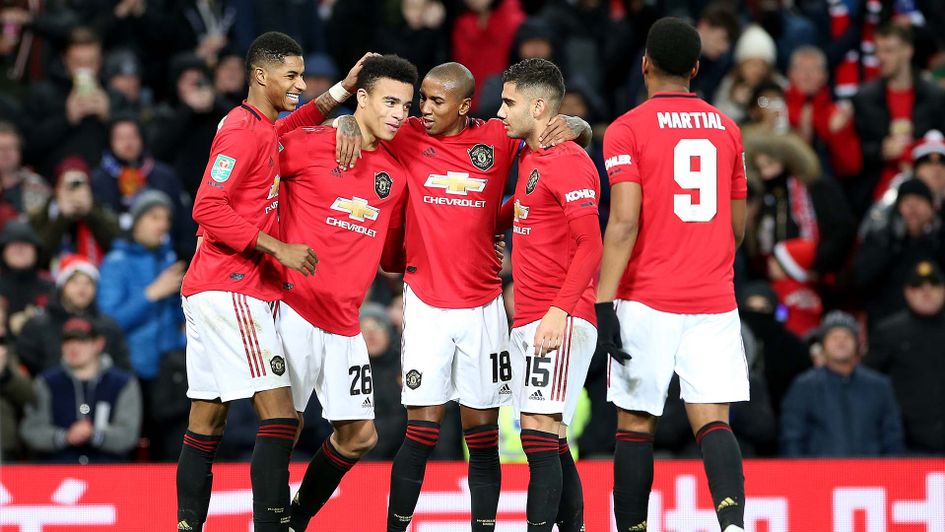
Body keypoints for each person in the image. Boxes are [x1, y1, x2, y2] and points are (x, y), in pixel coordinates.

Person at [334, 61, 591, 532]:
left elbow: (549, 139)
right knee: (420, 432)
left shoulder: (498, 136)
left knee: (484, 438)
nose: (424, 109)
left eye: (436, 100)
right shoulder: (407, 135)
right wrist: (346, 119)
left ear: (465, 105)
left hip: (485, 308)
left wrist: (578, 125)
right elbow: (364, 123)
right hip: (425, 303)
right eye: (422, 99)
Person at [175, 32, 364, 532]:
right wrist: (276, 247)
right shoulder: (242, 132)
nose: (300, 84)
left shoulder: (257, 125)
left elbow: (289, 126)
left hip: (209, 286)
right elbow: (207, 206)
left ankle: (187, 526)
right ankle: (273, 525)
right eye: (291, 75)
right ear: (261, 75)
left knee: (206, 421)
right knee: (281, 416)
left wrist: (341, 93)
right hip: (232, 286)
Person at [598, 18, 749, 532]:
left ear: (645, 65)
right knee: (713, 421)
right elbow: (737, 227)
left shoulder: (627, 129)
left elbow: (624, 222)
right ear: (696, 69)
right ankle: (732, 524)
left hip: (647, 297)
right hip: (713, 300)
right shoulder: (728, 129)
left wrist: (603, 300)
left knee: (636, 423)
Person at [275, 54, 415, 532]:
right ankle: (269, 522)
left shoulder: (395, 175)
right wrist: (334, 110)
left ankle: (295, 519)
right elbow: (255, 144)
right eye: (390, 102)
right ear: (363, 97)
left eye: (406, 106)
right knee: (283, 426)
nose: (399, 114)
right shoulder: (312, 142)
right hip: (293, 306)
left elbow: (392, 257)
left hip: (344, 322)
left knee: (359, 436)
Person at [496, 57, 602, 532]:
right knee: (548, 437)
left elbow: (591, 244)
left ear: (537, 107)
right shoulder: (530, 156)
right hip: (532, 317)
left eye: (509, 102)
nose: (500, 111)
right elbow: (522, 208)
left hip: (559, 317)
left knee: (539, 434)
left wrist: (559, 311)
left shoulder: (569, 161)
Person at [780, 311, 905, 457]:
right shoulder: (804, 387)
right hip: (821, 470)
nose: (841, 342)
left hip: (870, 470)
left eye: (846, 337)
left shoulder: (879, 386)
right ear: (823, 345)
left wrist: (890, 469)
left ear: (857, 344)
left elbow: (892, 438)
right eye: (834, 337)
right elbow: (792, 439)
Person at [852, 23, 945, 217]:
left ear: (907, 51)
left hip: (930, 190)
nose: (881, 57)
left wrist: (917, 152)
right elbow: (858, 151)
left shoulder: (935, 96)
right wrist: (881, 150)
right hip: (878, 193)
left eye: (889, 50)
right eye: (878, 51)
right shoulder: (865, 98)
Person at [20, 316, 142, 463]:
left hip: (108, 470)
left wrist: (95, 436)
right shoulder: (46, 382)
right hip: (58, 471)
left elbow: (128, 434)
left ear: (99, 344)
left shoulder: (123, 383)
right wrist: (65, 437)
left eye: (82, 341)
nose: (73, 347)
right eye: (68, 341)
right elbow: (31, 430)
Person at [868, 260, 945, 454]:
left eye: (934, 285)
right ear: (907, 293)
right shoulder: (889, 333)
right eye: (918, 287)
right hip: (907, 443)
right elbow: (870, 383)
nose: (926, 292)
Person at [17, 254, 129, 376]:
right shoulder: (38, 325)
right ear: (61, 286)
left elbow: (123, 370)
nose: (82, 289)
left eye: (89, 283)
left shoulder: (108, 327)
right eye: (75, 282)